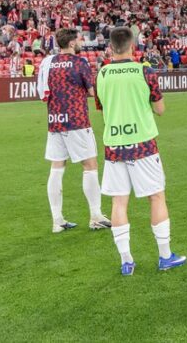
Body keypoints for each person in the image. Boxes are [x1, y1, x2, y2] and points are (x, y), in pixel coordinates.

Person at [95, 26, 186, 276]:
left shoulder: (101, 74)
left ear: (111, 47)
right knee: (156, 197)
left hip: (114, 146)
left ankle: (127, 261)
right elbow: (160, 109)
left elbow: (102, 109)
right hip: (143, 144)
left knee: (118, 201)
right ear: (132, 45)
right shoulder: (144, 71)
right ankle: (165, 256)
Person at [42, 28, 111, 234]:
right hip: (77, 121)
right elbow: (92, 91)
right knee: (89, 166)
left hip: (55, 120)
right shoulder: (80, 63)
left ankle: (57, 220)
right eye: (78, 40)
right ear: (71, 43)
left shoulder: (49, 62)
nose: (80, 42)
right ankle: (96, 215)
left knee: (56, 168)